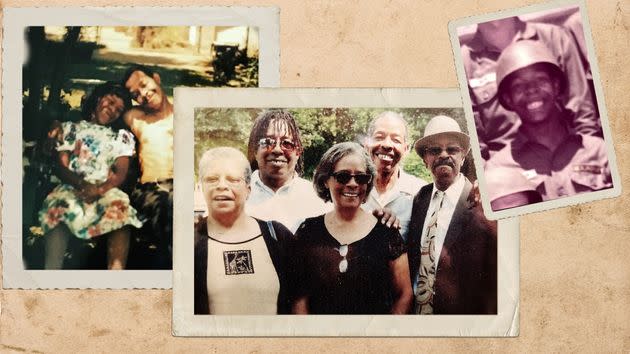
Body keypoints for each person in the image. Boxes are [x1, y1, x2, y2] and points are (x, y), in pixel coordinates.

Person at [289, 142, 413, 314]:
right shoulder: (308, 231)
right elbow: (298, 296)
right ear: (326, 180)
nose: (353, 184)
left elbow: (404, 294)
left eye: (361, 178)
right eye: (343, 176)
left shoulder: (386, 232)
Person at [486, 40, 612, 206]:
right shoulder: (498, 169)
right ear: (508, 99)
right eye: (518, 86)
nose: (531, 89)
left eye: (540, 80)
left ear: (556, 85)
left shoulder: (601, 151)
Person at [460, 15, 599, 160]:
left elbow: (584, 118)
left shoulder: (554, 38)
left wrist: (588, 162)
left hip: (568, 158)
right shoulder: (463, 62)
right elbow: (474, 151)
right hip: (507, 170)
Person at [38, 82, 143, 269]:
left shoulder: (120, 136)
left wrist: (99, 189)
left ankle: (116, 278)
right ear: (97, 98)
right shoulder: (71, 129)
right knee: (59, 208)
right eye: (110, 102)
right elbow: (61, 167)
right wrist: (81, 184)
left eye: (119, 110)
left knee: (121, 214)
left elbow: (120, 173)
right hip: (72, 184)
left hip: (105, 188)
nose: (112, 110)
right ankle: (51, 271)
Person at [407, 115, 497, 314]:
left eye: (452, 149)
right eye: (435, 150)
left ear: (463, 156)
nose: (443, 155)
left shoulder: (482, 203)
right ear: (425, 160)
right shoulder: (419, 199)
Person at [194, 147, 294, 315]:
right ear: (200, 187)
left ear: (248, 190)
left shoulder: (278, 236)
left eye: (233, 179)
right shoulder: (188, 244)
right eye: (212, 179)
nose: (222, 186)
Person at [121, 65, 174, 269]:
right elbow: (102, 115)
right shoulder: (135, 118)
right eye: (136, 93)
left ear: (156, 78)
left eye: (144, 84)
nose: (143, 94)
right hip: (152, 192)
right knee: (171, 205)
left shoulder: (186, 113)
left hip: (184, 189)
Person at [244, 110, 330, 232]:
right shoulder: (237, 195)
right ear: (255, 150)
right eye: (267, 142)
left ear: (298, 151)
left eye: (287, 143)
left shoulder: (317, 198)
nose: (277, 150)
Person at [362, 111, 428, 241]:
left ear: (406, 149)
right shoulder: (352, 186)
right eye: (379, 137)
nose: (387, 145)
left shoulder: (420, 192)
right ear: (366, 144)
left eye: (396, 140)